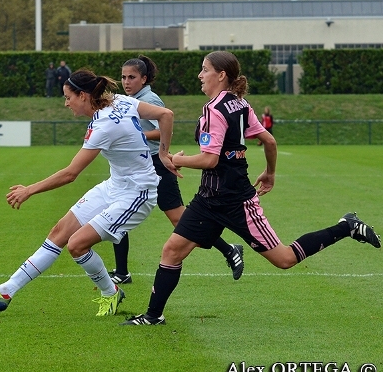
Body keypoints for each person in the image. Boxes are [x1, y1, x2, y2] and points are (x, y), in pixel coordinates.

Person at [121, 51, 381, 326]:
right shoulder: (240, 104)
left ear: (221, 75)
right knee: (172, 250)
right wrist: (269, 172)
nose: (200, 75)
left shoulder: (215, 109)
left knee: (284, 259)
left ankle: (346, 226)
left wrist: (176, 159)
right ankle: (153, 316)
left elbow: (210, 159)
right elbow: (269, 141)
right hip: (208, 200)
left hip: (236, 201)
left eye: (204, 69)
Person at [0, 68, 179, 316]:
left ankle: (111, 292)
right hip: (115, 185)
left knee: (76, 244)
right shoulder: (120, 100)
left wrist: (29, 190)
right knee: (59, 232)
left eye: (68, 97)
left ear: (83, 96)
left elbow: (70, 174)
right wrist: (163, 153)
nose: (66, 103)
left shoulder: (104, 125)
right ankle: (6, 291)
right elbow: (166, 114)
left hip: (137, 193)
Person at [110, 55, 244, 286]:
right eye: (123, 77)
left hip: (156, 165)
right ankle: (122, 271)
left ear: (144, 79)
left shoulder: (150, 99)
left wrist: (131, 136)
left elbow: (163, 130)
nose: (126, 81)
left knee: (179, 220)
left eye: (131, 77)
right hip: (135, 167)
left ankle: (229, 249)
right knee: (117, 213)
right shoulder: (129, 100)